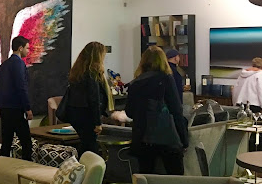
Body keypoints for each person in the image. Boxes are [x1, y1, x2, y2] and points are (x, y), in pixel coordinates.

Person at [126, 46, 188, 175]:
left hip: (143, 138)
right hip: (167, 137)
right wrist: (184, 139)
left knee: (146, 180)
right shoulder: (166, 79)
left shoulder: (135, 83)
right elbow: (176, 110)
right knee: (176, 179)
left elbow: (129, 112)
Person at [66, 41, 114, 157]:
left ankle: (80, 166)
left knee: (85, 145)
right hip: (88, 116)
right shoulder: (92, 73)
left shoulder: (77, 72)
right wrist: (97, 122)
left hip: (76, 114)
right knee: (91, 148)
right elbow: (94, 99)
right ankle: (89, 167)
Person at [0, 36, 33, 160]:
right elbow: (21, 87)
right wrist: (27, 108)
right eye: (27, 48)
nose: (28, 51)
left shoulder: (3, 65)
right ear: (20, 48)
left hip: (4, 108)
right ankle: (26, 167)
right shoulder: (19, 64)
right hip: (16, 109)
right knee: (26, 143)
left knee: (6, 143)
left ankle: (3, 168)